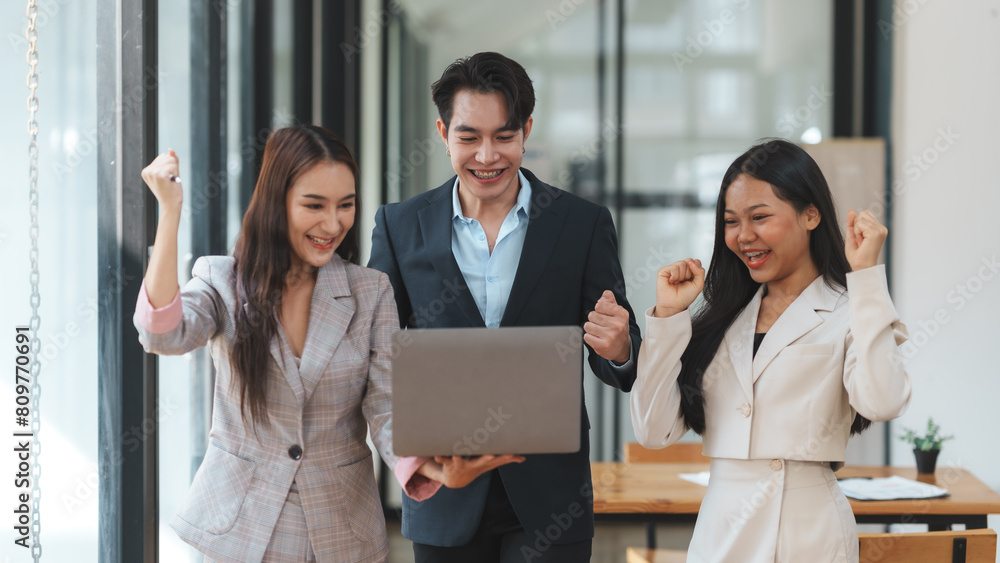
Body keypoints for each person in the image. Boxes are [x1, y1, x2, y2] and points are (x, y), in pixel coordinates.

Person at [368, 51, 643, 562]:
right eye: (469, 137)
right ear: (443, 132)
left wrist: (621, 346)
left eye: (504, 136)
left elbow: (616, 359)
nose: (487, 156)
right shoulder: (400, 226)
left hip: (550, 495)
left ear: (527, 131)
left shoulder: (580, 224)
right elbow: (375, 352)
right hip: (443, 490)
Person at [133, 125, 432, 563]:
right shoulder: (223, 282)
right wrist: (170, 213)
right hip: (243, 529)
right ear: (277, 203)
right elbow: (162, 333)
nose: (333, 225)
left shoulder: (371, 292)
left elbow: (385, 405)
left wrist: (424, 463)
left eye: (345, 206)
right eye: (314, 205)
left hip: (341, 529)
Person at [631, 139, 912, 562]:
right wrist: (669, 319)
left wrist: (867, 280)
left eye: (760, 217)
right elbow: (653, 432)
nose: (744, 236)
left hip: (807, 536)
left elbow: (884, 400)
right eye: (730, 221)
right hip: (720, 534)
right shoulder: (721, 317)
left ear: (810, 213)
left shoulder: (850, 310)